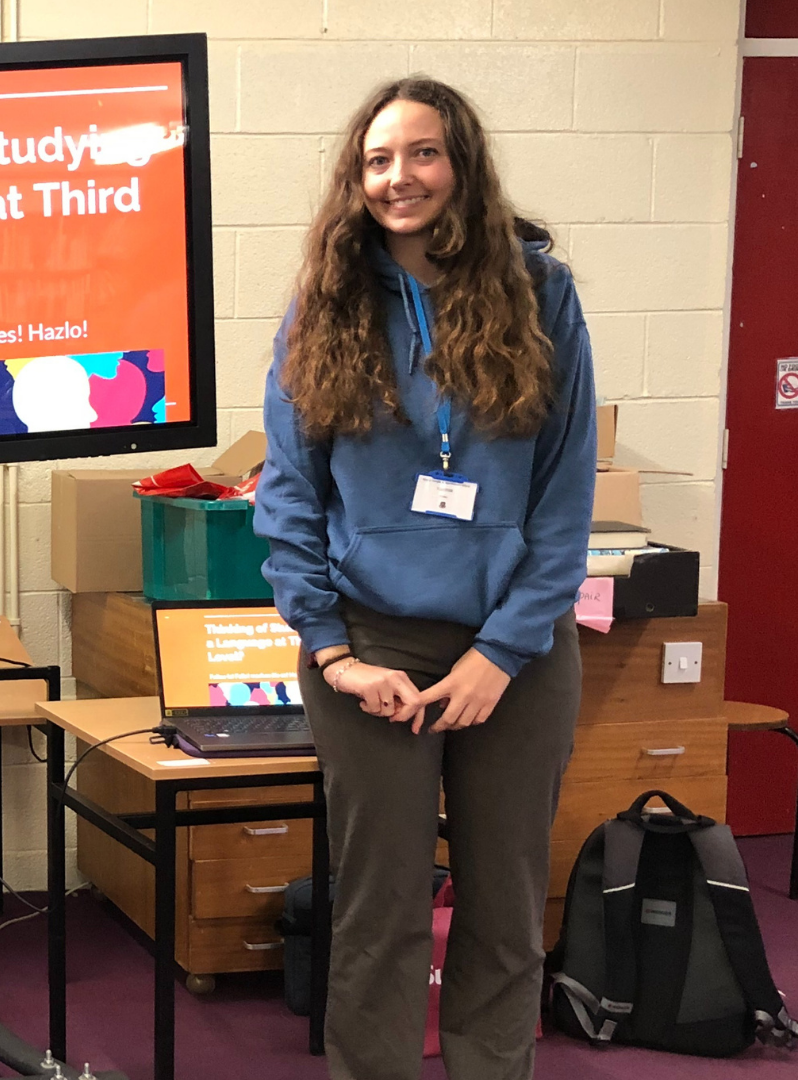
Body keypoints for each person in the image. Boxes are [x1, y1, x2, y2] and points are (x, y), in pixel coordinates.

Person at [253, 77, 596, 1080]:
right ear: (356, 179)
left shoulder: (541, 293)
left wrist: (505, 650)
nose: (399, 177)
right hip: (372, 647)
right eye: (377, 160)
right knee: (381, 906)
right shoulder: (325, 301)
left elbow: (564, 496)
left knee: (505, 904)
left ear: (464, 165)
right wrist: (331, 651)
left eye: (423, 153)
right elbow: (289, 496)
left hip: (516, 647)